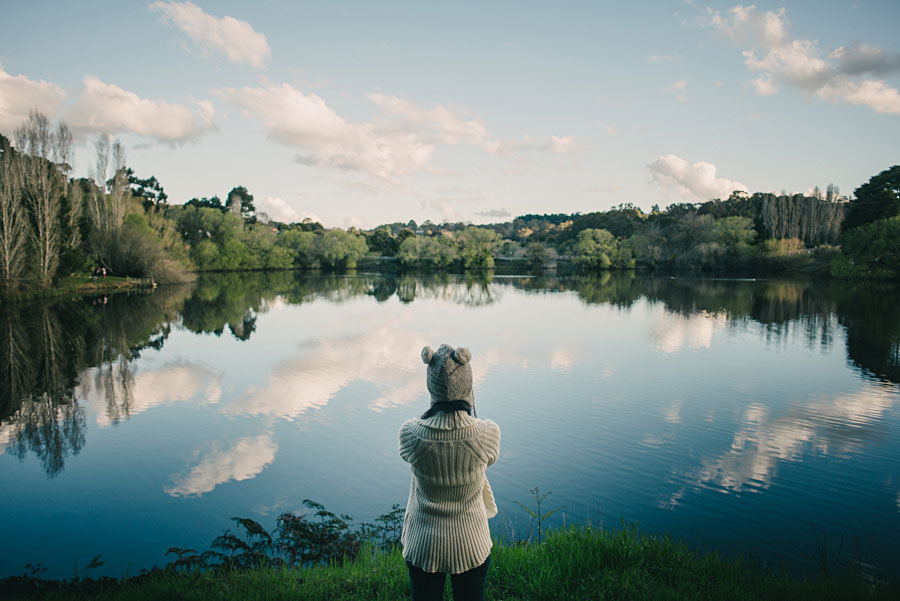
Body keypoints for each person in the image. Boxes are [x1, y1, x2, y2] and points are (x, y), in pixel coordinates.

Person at [399, 344, 501, 601]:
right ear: (468, 384)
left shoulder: (411, 434)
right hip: (472, 544)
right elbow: (489, 457)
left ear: (430, 386)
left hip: (423, 544)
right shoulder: (487, 433)